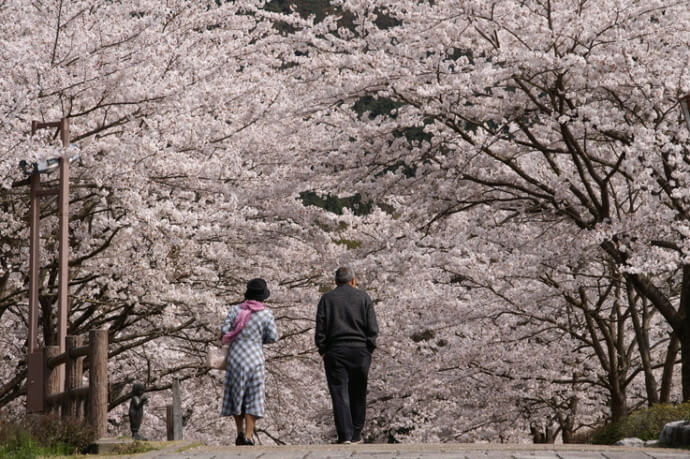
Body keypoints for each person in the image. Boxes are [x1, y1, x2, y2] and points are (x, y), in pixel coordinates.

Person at [315, 266, 379, 444]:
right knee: (358, 393)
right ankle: (357, 434)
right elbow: (373, 328)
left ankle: (344, 435)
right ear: (353, 280)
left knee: (339, 392)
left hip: (335, 350)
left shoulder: (327, 299)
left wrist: (323, 349)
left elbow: (321, 328)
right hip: (360, 350)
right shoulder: (364, 297)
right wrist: (369, 347)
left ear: (336, 282)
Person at [221, 278, 278, 446]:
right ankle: (248, 435)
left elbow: (224, 331)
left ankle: (239, 432)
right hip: (255, 358)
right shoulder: (266, 313)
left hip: (236, 357)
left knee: (236, 394)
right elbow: (273, 336)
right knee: (253, 396)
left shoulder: (235, 310)